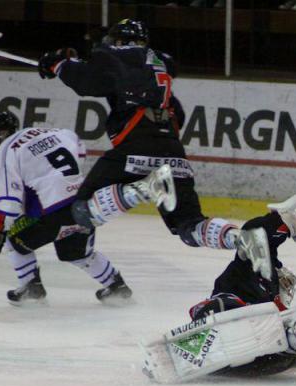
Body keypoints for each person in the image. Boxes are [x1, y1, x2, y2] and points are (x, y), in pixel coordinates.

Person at [37, 18, 270, 278]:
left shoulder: (112, 53)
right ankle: (241, 239)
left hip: (135, 147)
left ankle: (143, 189)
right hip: (172, 152)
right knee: (188, 225)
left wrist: (57, 64)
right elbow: (177, 114)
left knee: (82, 210)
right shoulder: (158, 63)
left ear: (116, 40)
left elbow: (90, 82)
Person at [140, 181, 296, 382]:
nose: (285, 288)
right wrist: (293, 219)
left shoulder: (277, 314)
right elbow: (257, 233)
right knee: (244, 316)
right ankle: (215, 336)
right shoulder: (250, 278)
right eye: (284, 282)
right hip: (227, 321)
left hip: (262, 358)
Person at [0, 111, 131, 305]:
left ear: (0, 134)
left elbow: (9, 204)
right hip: (84, 203)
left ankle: (31, 286)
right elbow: (79, 147)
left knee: (13, 239)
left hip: (53, 213)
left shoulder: (5, 151)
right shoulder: (51, 132)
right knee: (76, 253)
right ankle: (117, 287)